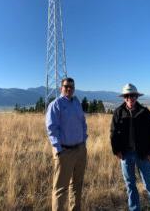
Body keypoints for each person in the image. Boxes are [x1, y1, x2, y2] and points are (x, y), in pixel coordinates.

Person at [110, 83, 150, 211]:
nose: (130, 98)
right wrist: (116, 150)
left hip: (144, 154)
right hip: (125, 154)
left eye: (132, 95)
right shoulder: (118, 112)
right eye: (127, 96)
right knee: (130, 185)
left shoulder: (145, 112)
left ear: (136, 97)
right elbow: (113, 133)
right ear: (124, 97)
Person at [46, 77, 88, 211]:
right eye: (66, 86)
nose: (69, 89)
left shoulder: (76, 102)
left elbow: (82, 122)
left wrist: (84, 141)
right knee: (60, 189)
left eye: (71, 87)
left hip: (80, 150)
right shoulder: (55, 104)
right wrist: (58, 150)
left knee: (77, 185)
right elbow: (51, 129)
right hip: (65, 151)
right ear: (61, 88)